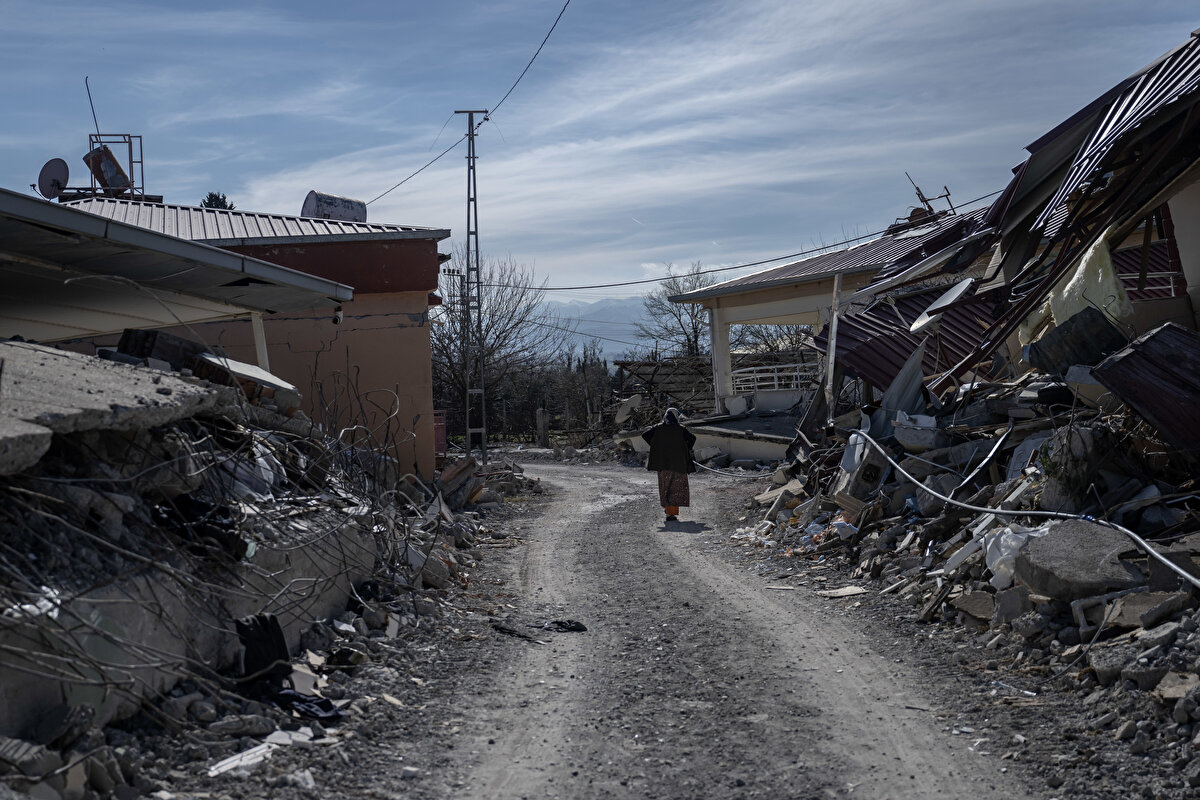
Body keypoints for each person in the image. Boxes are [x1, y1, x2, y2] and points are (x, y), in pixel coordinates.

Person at [641, 408, 696, 522]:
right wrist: (685, 448)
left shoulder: (657, 428)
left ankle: (669, 511)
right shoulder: (680, 429)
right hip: (678, 464)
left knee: (665, 487)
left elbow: (645, 435)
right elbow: (692, 438)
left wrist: (656, 445)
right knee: (676, 488)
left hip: (662, 463)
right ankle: (670, 514)